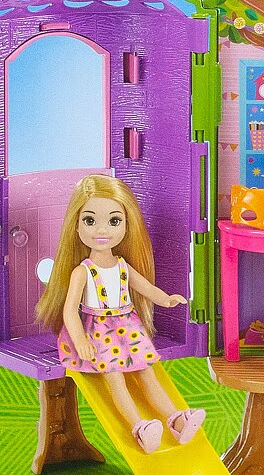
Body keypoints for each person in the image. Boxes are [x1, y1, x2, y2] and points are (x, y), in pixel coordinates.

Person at [35, 175, 205, 453]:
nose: (102, 230)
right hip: (97, 331)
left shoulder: (123, 265)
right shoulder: (83, 271)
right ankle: (140, 427)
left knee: (147, 373)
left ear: (127, 224)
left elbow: (145, 288)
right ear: (76, 225)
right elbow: (70, 310)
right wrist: (80, 341)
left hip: (128, 327)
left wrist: (166, 299)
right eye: (90, 220)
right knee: (115, 378)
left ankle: (177, 420)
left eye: (114, 221)